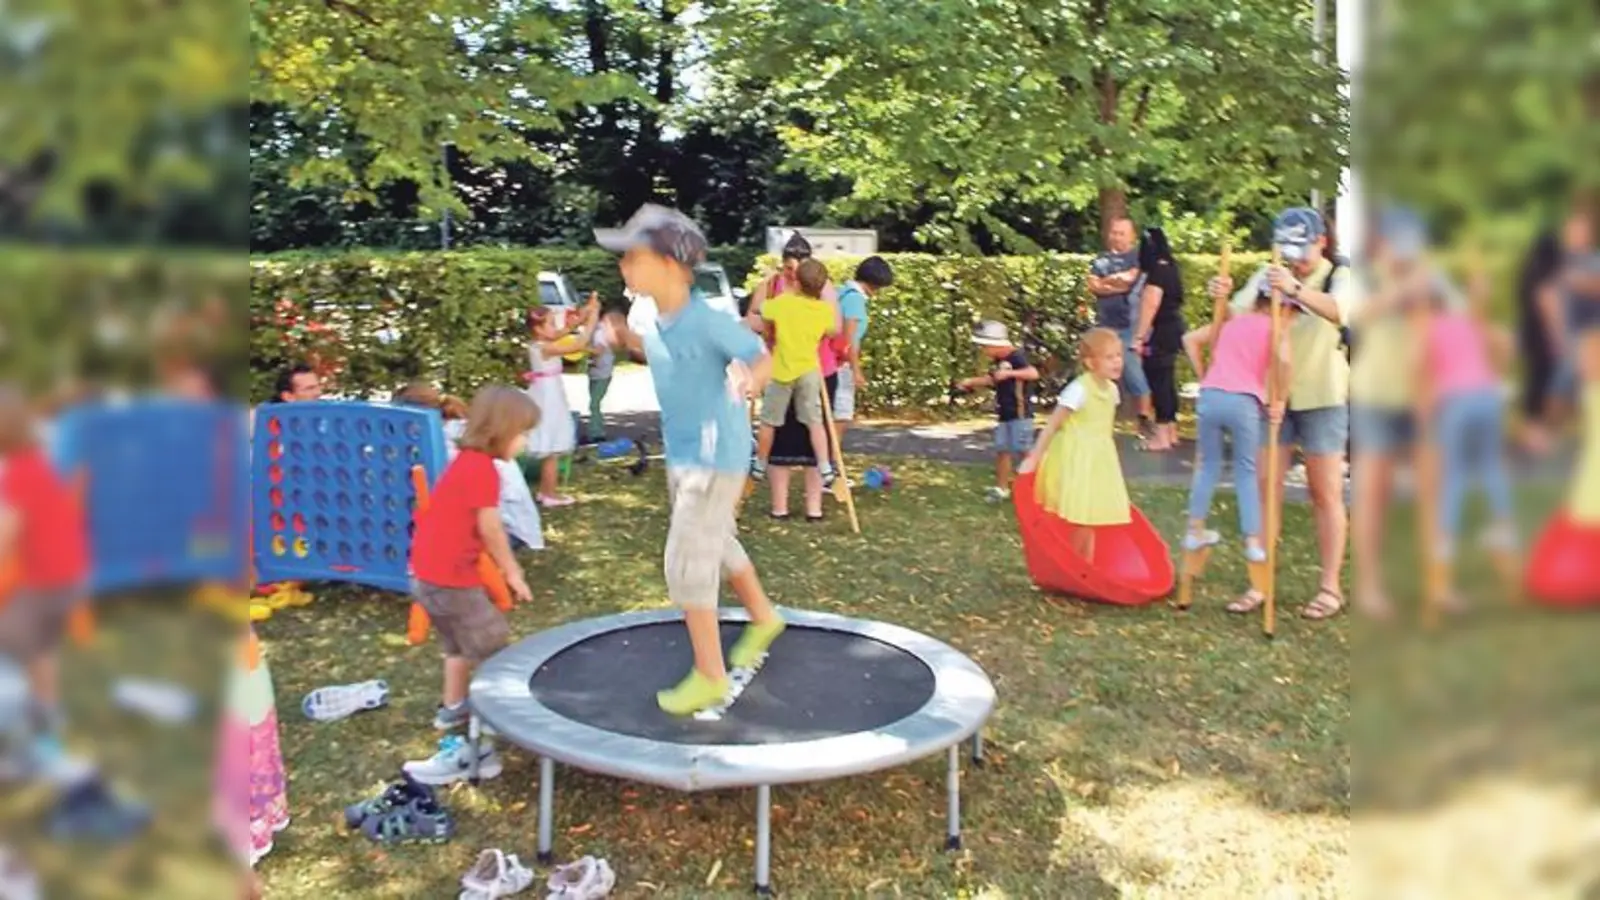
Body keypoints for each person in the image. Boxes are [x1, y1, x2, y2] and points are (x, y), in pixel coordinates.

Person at [596, 204, 786, 717]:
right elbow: (660, 353)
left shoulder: (706, 320)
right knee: (718, 542)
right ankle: (764, 617)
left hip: (713, 457)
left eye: (634, 257)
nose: (623, 266)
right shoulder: (657, 319)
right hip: (683, 454)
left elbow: (761, 356)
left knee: (685, 561)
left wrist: (751, 379)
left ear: (673, 266)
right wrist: (624, 337)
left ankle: (709, 675)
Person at [1212, 207, 1354, 621]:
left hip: (1323, 394)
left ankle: (1330, 588)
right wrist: (1221, 297)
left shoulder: (1338, 274)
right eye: (1288, 249)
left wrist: (1294, 289)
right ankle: (1259, 582)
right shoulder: (1266, 272)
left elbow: (1339, 310)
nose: (1295, 257)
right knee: (1264, 487)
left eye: (1303, 247)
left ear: (1321, 240)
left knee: (1324, 491)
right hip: (1269, 392)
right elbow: (1235, 323)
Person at [403, 385, 537, 783]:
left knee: (456, 646)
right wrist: (512, 571)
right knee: (495, 652)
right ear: (502, 431)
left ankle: (454, 707)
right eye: (523, 433)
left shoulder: (466, 461)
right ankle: (486, 746)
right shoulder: (481, 470)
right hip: (451, 582)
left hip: (425, 578)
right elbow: (491, 528)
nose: (526, 440)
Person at [0, 385, 89, 782]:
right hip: (66, 574)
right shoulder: (38, 459)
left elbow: (6, 534)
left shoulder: (18, 471)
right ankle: (47, 728)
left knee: (18, 659)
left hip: (44, 580)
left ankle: (36, 747)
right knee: (39, 656)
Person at [1180, 282, 1293, 585]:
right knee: (1246, 470)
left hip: (1211, 396)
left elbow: (1190, 340)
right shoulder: (1278, 329)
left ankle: (1194, 530)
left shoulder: (1232, 321)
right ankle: (1253, 541)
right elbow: (1284, 362)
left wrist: (1205, 376)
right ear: (1284, 307)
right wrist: (1280, 400)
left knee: (1208, 467)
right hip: (1244, 400)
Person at [1423, 279, 1517, 610]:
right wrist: (1497, 375)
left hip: (1456, 402)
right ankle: (1503, 527)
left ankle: (1443, 557)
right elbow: (1505, 341)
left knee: (1455, 477)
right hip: (1487, 396)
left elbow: (1424, 376)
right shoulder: (1465, 322)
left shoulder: (1425, 329)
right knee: (1491, 464)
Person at [1019, 328, 1131, 562]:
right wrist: (1034, 457)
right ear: (1090, 363)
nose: (1117, 361)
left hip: (1098, 458)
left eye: (1119, 355)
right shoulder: (1079, 389)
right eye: (1110, 357)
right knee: (1082, 515)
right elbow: (1052, 425)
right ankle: (1073, 562)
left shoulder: (1112, 390)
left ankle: (1083, 565)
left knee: (1090, 516)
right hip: (1076, 456)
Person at [751, 259, 840, 488]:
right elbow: (831, 331)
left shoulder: (783, 304)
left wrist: (770, 285)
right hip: (809, 370)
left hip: (781, 372)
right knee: (814, 421)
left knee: (769, 421)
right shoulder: (823, 310)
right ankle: (824, 465)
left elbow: (759, 310)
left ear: (797, 282)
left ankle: (760, 462)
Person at [523, 297, 600, 508]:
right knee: (553, 447)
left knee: (553, 448)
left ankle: (546, 492)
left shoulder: (543, 342)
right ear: (538, 329)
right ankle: (549, 494)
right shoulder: (544, 348)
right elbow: (578, 343)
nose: (554, 327)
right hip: (548, 397)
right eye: (549, 323)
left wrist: (585, 313)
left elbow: (565, 330)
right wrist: (592, 320)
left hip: (548, 392)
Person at [956, 321, 1041, 501]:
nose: (983, 350)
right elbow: (992, 378)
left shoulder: (1016, 357)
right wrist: (970, 382)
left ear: (996, 344)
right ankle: (1001, 488)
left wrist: (1010, 374)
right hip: (1005, 413)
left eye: (985, 346)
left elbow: (1033, 373)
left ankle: (1041, 488)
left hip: (1020, 413)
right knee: (1002, 450)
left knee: (1024, 449)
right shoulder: (999, 361)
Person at [1087, 217, 1150, 429]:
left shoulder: (1138, 257)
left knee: (1133, 372)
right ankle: (1101, 417)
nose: (1117, 236)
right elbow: (1093, 285)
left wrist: (1107, 283)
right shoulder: (1100, 260)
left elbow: (1129, 282)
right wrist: (1112, 283)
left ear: (1132, 236)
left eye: (1122, 233)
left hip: (1128, 325)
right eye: (1114, 232)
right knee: (1100, 371)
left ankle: (1144, 419)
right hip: (1104, 324)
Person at [1129, 227, 1188, 451]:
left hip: (1159, 332)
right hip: (1173, 330)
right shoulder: (1171, 267)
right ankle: (1171, 431)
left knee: (1158, 381)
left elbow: (1151, 302)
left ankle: (1161, 437)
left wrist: (1139, 337)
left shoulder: (1156, 272)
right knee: (1167, 380)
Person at [832, 256, 895, 439]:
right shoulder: (855, 300)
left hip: (831, 361)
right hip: (841, 363)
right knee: (841, 414)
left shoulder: (841, 292)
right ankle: (830, 460)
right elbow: (851, 338)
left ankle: (826, 460)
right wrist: (856, 370)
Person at [1516, 231, 1566, 454]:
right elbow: (1548, 306)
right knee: (1546, 384)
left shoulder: (1527, 272)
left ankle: (1532, 435)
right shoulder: (1546, 273)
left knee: (1534, 383)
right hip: (1545, 337)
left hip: (1529, 334)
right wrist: (1560, 337)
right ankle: (1538, 438)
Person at [585, 317, 617, 444]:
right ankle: (596, 431)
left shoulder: (599, 332)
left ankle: (597, 434)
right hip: (595, 373)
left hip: (603, 373)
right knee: (594, 404)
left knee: (594, 404)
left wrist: (580, 347)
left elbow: (599, 350)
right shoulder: (591, 330)